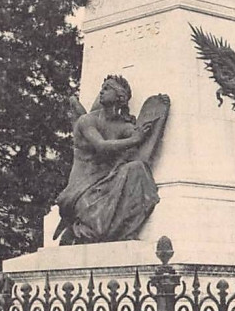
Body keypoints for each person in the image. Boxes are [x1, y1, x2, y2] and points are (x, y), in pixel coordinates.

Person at [54, 76, 168, 245]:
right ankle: (78, 230)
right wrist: (135, 139)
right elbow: (101, 145)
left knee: (137, 169)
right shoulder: (87, 121)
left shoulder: (122, 126)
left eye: (107, 88)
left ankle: (119, 228)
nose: (101, 91)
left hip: (107, 183)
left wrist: (156, 116)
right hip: (82, 189)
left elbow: (141, 138)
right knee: (96, 222)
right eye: (102, 87)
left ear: (119, 97)